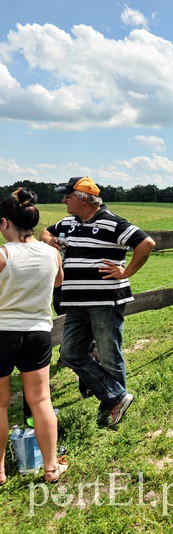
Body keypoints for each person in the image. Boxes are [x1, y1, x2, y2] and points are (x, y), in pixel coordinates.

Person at [41, 177, 155, 427]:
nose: (63, 200)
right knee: (70, 353)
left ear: (83, 198)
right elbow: (45, 232)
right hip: (74, 301)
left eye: (67, 196)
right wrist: (51, 241)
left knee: (109, 353)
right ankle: (117, 397)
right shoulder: (68, 223)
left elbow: (146, 243)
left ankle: (114, 408)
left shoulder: (111, 222)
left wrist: (126, 272)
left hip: (105, 300)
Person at [0, 187, 68, 483]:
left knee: (0, 403)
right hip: (39, 332)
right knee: (41, 401)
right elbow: (57, 282)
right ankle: (51, 468)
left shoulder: (2, 254)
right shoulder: (52, 253)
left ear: (5, 223)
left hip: (2, 333)